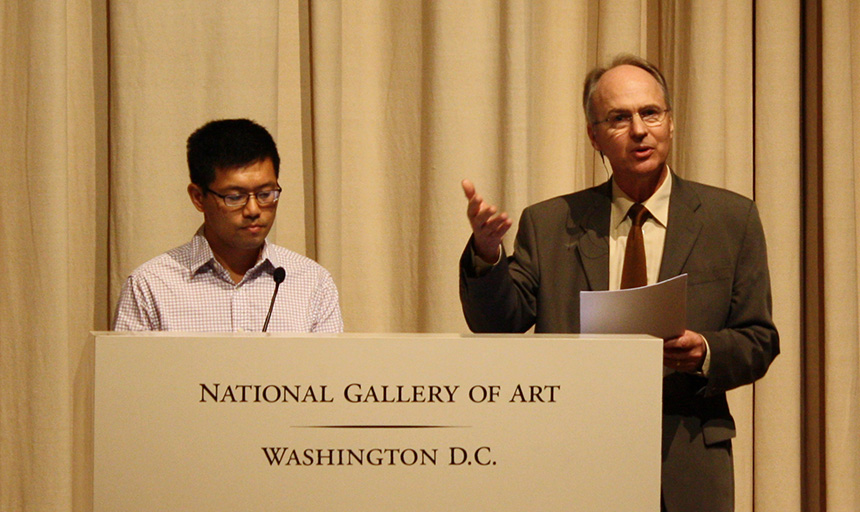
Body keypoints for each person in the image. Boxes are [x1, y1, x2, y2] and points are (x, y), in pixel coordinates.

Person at [459, 55, 778, 512]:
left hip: (687, 456)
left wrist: (704, 351)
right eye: (619, 118)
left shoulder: (732, 219)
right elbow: (498, 324)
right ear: (594, 136)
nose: (640, 130)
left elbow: (759, 339)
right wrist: (488, 255)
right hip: (575, 455)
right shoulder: (550, 223)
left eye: (651, 113)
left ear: (670, 122)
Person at [114, 118, 343, 333]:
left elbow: (332, 373)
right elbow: (125, 374)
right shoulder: (151, 285)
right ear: (198, 197)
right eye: (234, 197)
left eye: (265, 194)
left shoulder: (313, 282)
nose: (253, 210)